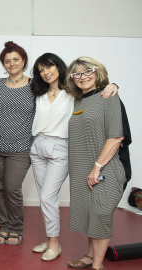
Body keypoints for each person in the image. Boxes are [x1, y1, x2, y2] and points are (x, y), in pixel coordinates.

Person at [29, 53, 118, 261]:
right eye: (41, 70)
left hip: (61, 147)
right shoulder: (37, 92)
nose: (45, 72)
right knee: (45, 199)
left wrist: (113, 85)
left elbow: (94, 90)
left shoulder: (73, 92)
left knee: (47, 197)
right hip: (38, 146)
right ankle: (50, 239)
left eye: (49, 67)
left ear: (59, 68)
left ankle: (54, 244)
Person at [66, 56, 125, 270]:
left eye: (87, 71)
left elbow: (116, 137)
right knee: (89, 213)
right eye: (77, 74)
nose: (83, 77)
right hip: (82, 168)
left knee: (100, 214)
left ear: (97, 72)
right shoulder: (79, 100)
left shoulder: (109, 96)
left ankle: (97, 265)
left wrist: (97, 167)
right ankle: (89, 256)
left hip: (104, 167)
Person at [0, 41, 34, 246]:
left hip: (21, 148)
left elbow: (61, 93)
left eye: (16, 59)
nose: (12, 63)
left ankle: (16, 228)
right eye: (7, 61)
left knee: (12, 188)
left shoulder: (35, 86)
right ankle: (4, 226)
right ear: (3, 65)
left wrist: (111, 85)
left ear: (23, 60)